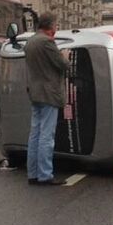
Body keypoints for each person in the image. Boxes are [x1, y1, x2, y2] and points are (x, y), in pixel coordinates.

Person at [24, 12, 70, 185]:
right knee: (46, 136)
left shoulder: (31, 41)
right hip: (49, 93)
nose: (56, 28)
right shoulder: (47, 42)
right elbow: (62, 65)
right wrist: (64, 55)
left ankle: (33, 173)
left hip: (35, 92)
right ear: (50, 27)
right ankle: (45, 175)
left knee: (34, 134)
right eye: (56, 25)